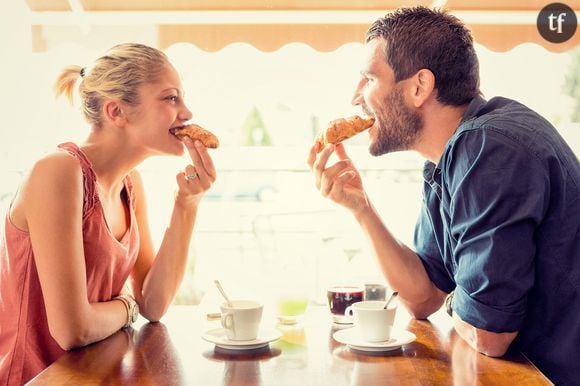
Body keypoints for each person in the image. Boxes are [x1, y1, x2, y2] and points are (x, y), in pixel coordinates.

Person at [308, 7, 579, 385]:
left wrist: (460, 299)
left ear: (419, 86)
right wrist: (361, 207)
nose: (356, 97)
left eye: (369, 78)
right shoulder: (449, 160)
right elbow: (422, 297)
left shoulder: (488, 146)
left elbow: (490, 334)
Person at [0, 43, 216, 385]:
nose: (187, 112)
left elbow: (154, 305)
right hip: (37, 379)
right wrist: (127, 306)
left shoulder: (131, 184)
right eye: (171, 98)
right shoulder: (58, 172)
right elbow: (74, 329)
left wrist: (186, 204)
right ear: (117, 112)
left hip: (95, 376)